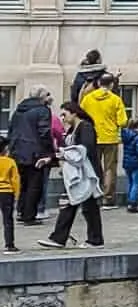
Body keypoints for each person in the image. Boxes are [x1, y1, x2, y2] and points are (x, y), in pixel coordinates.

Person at [43, 101, 105, 249]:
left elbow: (84, 150)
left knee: (81, 205)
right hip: (78, 173)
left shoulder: (85, 128)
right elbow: (67, 150)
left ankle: (63, 238)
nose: (62, 118)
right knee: (80, 205)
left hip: (87, 173)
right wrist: (52, 158)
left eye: (65, 114)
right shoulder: (72, 130)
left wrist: (65, 155)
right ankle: (91, 239)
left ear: (74, 113)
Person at [5, 85, 56, 227]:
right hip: (35, 152)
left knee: (23, 183)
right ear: (42, 96)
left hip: (17, 151)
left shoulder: (19, 110)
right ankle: (29, 215)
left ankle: (21, 211)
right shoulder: (43, 110)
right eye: (47, 94)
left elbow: (11, 130)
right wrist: (50, 152)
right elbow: (44, 132)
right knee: (35, 184)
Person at [77, 75, 128, 186]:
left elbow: (80, 116)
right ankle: (108, 196)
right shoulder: (116, 99)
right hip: (111, 138)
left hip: (92, 137)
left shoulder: (88, 99)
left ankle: (95, 192)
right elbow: (122, 122)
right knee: (109, 169)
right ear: (111, 85)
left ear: (99, 83)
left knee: (93, 167)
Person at [118, 114, 138, 213]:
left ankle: (129, 201)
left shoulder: (126, 135)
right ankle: (133, 203)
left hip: (127, 162)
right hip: (136, 163)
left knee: (130, 182)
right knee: (136, 183)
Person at [0, 145, 17, 252]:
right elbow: (15, 179)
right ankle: (9, 244)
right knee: (8, 219)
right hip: (7, 192)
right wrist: (16, 194)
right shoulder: (10, 162)